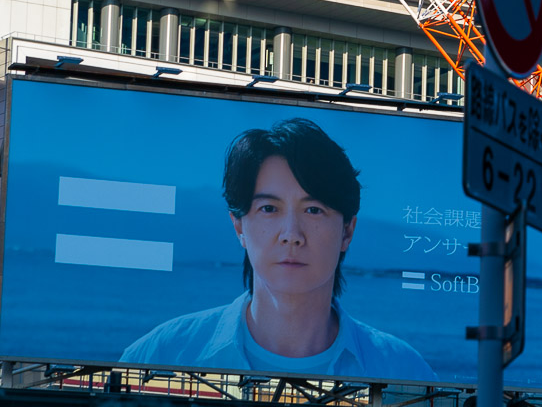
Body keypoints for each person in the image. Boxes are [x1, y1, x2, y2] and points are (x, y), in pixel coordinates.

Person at [122, 118, 433, 379]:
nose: (291, 235)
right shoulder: (162, 357)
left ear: (347, 231)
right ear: (239, 226)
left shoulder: (404, 372)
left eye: (314, 210)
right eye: (269, 209)